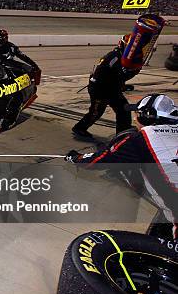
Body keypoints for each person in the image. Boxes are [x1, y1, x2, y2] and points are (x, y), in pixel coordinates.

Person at [66, 93, 178, 239]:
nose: (134, 118)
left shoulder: (139, 139)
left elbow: (97, 161)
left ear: (146, 117)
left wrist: (75, 158)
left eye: (137, 114)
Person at [72, 34, 140, 139]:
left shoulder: (124, 58)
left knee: (124, 109)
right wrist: (130, 73)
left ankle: (122, 132)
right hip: (100, 89)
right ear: (122, 45)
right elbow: (108, 74)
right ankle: (79, 128)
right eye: (128, 48)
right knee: (96, 112)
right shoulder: (114, 57)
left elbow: (119, 76)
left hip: (112, 89)